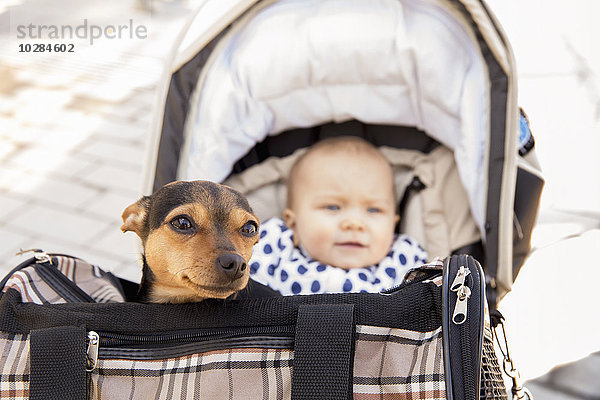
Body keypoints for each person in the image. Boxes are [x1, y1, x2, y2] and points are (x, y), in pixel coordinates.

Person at [249, 136, 428, 295]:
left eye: (374, 210)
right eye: (333, 207)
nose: (354, 223)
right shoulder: (274, 245)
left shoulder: (402, 258)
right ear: (293, 224)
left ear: (393, 224)